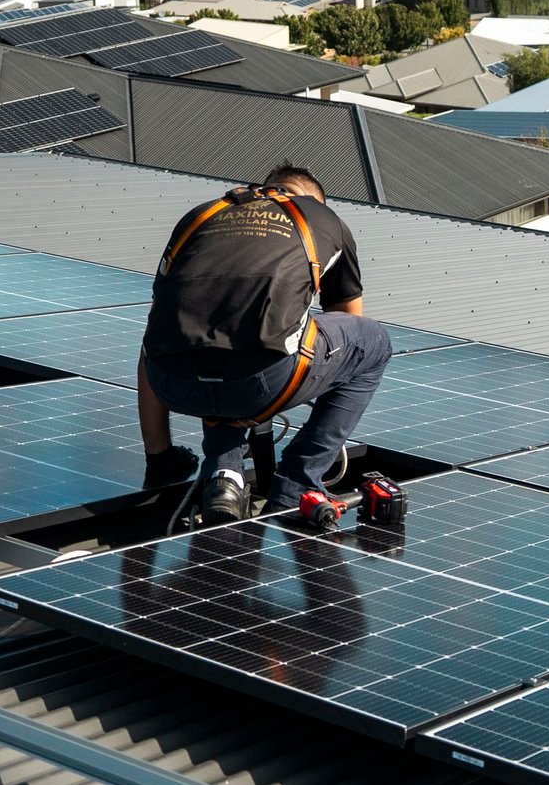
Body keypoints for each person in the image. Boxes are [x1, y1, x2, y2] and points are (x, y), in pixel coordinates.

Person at [138, 163, 392, 526]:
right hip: (261, 381)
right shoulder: (322, 218)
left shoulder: (203, 216)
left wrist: (159, 459)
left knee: (205, 330)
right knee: (373, 343)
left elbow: (160, 323)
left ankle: (222, 474)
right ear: (313, 200)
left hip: (171, 383)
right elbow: (350, 323)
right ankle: (297, 482)